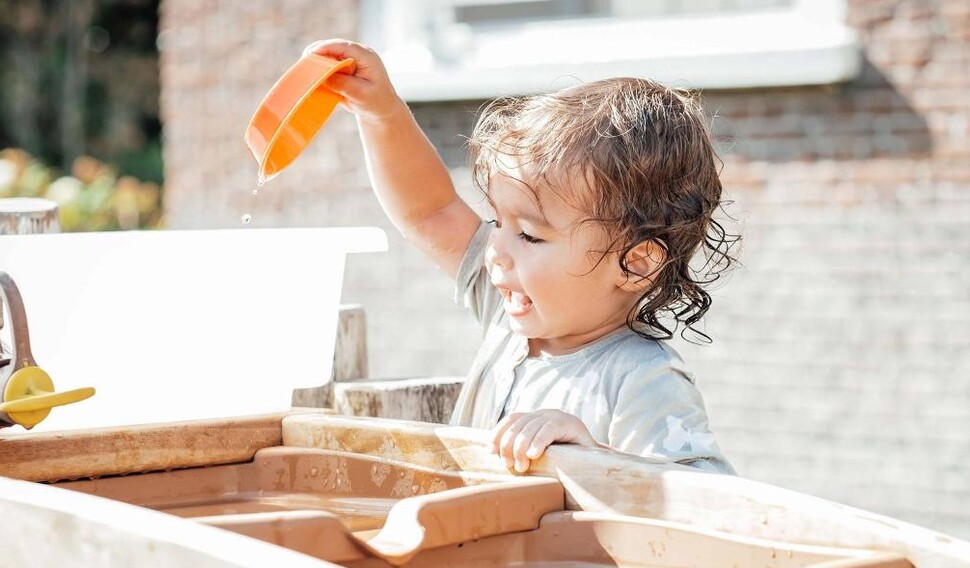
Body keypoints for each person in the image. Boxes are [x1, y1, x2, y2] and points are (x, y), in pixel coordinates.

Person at [308, 40, 740, 475]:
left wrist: (596, 460)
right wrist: (381, 113)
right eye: (497, 222)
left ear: (636, 264)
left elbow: (711, 499)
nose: (496, 250)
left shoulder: (643, 380)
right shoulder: (507, 317)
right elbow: (429, 212)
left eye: (530, 236)